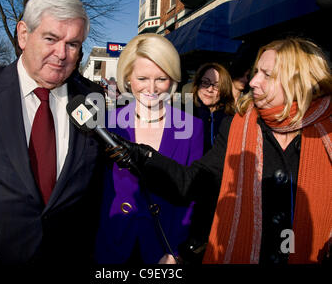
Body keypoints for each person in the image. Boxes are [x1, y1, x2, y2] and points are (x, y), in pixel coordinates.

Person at [107, 37, 332, 264]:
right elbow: (194, 182)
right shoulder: (237, 126)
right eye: (256, 72)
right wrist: (142, 155)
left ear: (300, 81)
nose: (253, 81)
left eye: (267, 75)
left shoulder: (327, 133)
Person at [0, 0, 105, 267]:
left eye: (73, 44)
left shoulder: (92, 98)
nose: (61, 54)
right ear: (23, 35)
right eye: (51, 39)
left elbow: (94, 189)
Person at [95, 33, 204, 264]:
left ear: (173, 79)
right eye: (142, 78)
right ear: (128, 78)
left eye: (161, 79)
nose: (152, 88)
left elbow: (194, 196)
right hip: (114, 242)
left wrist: (179, 249)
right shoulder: (107, 125)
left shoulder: (193, 128)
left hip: (165, 248)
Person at [191, 62, 235, 154]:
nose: (210, 89)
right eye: (205, 82)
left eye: (217, 86)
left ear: (224, 89)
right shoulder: (185, 112)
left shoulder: (231, 119)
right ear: (198, 84)